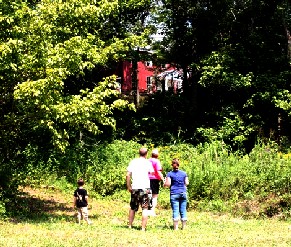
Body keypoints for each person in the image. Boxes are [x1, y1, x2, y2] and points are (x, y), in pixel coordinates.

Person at [126, 147, 154, 231]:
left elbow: (128, 175)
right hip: (145, 188)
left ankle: (130, 225)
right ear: (146, 154)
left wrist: (128, 186)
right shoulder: (148, 162)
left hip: (135, 187)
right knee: (145, 208)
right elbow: (152, 172)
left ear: (139, 153)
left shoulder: (133, 162)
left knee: (133, 207)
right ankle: (142, 228)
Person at [164, 158, 189, 230]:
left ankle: (176, 228)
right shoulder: (184, 173)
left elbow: (168, 184)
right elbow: (187, 183)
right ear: (179, 164)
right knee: (183, 210)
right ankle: (184, 227)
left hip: (174, 193)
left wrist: (164, 184)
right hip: (183, 193)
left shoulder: (170, 174)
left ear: (172, 165)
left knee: (175, 210)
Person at [148, 149, 164, 216]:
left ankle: (147, 210)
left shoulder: (147, 160)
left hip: (147, 179)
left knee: (148, 195)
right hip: (154, 179)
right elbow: (158, 171)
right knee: (154, 195)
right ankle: (152, 211)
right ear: (157, 155)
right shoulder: (157, 161)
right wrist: (163, 179)